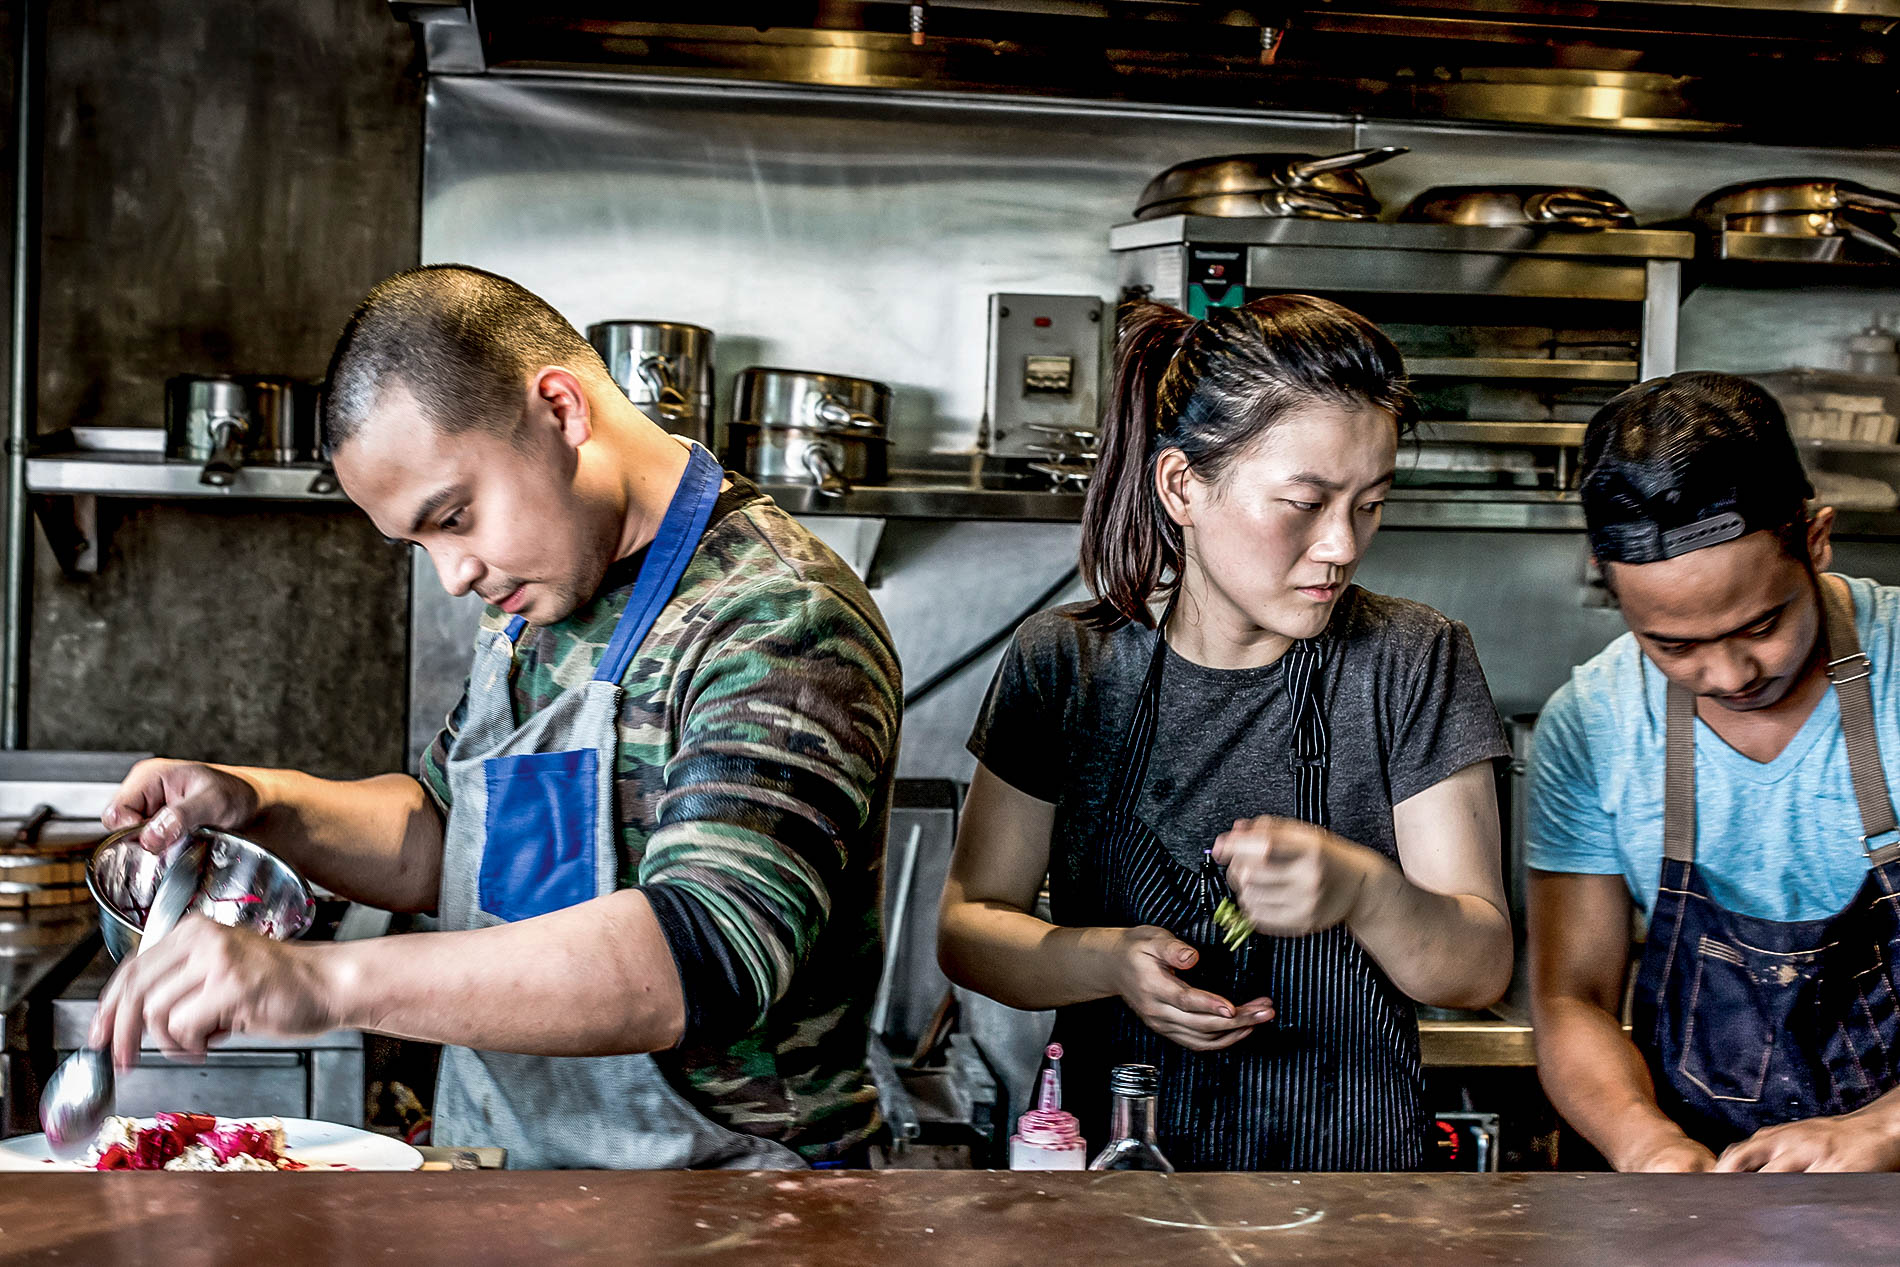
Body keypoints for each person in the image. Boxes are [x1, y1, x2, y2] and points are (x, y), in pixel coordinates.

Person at [87, 265, 901, 1170]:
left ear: (561, 408)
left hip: (730, 1211)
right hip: (520, 1186)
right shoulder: (532, 603)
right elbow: (445, 837)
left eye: (456, 516)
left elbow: (699, 954)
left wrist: (323, 981)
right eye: (420, 542)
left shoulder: (776, 618)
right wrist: (259, 802)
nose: (453, 574)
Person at [937, 295, 1514, 1170]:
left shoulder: (1411, 660)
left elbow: (1477, 966)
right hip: (1116, 1184)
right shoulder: (1068, 666)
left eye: (1369, 504)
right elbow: (971, 928)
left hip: (1356, 1198)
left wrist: (1364, 891)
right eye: (1305, 502)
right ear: (1183, 486)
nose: (1342, 545)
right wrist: (1108, 960)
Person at [1528, 372, 1900, 1173]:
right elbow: (1573, 998)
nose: (1730, 675)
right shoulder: (1593, 724)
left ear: (1816, 537)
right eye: (1674, 645)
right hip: (1701, 1196)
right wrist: (1646, 1141)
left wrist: (1881, 1131)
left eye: (1761, 624)